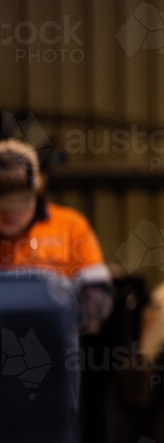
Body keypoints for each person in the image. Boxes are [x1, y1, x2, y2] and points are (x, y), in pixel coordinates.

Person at [0, 139, 113, 334]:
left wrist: (64, 321)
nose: (11, 212)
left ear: (37, 189)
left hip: (56, 348)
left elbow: (98, 291)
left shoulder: (71, 226)